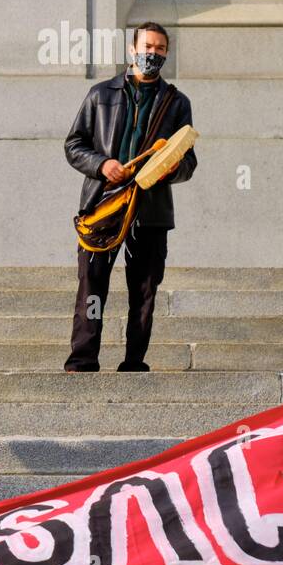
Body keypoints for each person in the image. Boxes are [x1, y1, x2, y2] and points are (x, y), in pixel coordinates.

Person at [64, 22, 197, 372]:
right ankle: (83, 359)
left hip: (151, 211)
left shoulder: (177, 103)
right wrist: (102, 164)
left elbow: (189, 162)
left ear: (166, 53)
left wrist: (171, 169)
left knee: (144, 291)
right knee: (92, 288)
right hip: (103, 205)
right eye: (147, 46)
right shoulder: (99, 94)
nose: (153, 53)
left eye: (160, 48)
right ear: (132, 49)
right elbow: (74, 145)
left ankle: (134, 361)